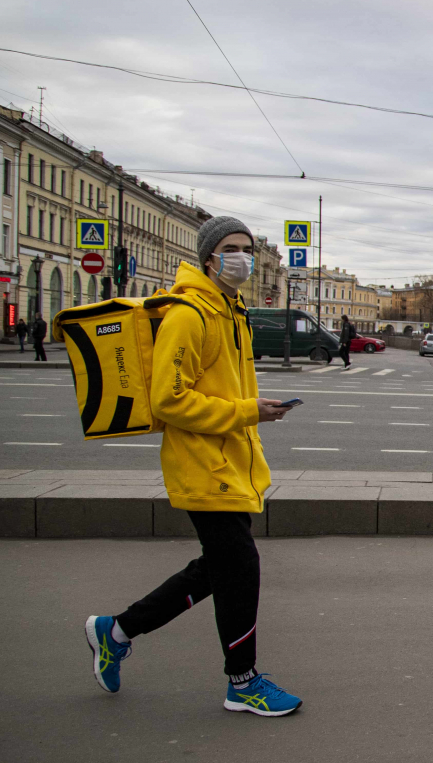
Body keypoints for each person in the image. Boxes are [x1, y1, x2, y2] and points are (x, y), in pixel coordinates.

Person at [84, 216, 302, 717]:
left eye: (247, 248)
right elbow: (168, 400)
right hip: (202, 466)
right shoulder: (190, 314)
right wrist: (249, 411)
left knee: (217, 569)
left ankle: (114, 632)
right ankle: (242, 682)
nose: (243, 257)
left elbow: (220, 388)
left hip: (230, 462)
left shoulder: (230, 310)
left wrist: (254, 406)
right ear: (208, 258)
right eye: (231, 248)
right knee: (240, 567)